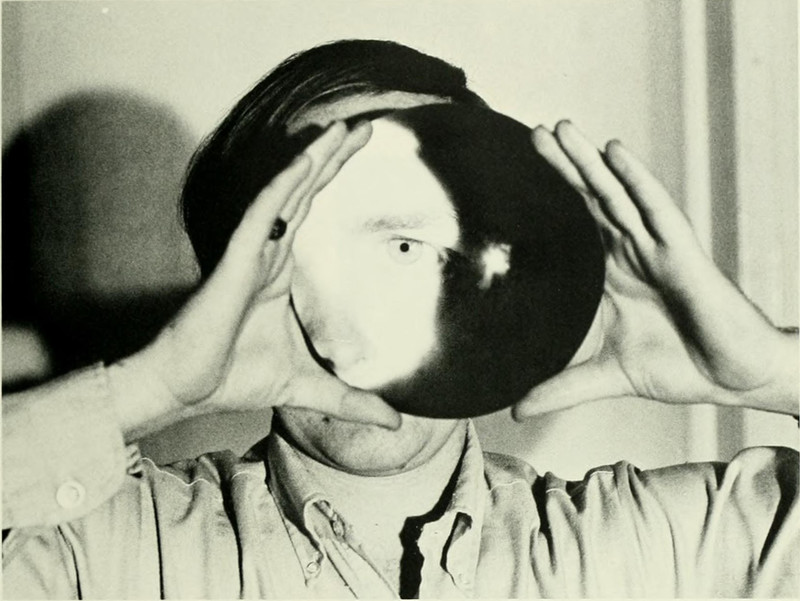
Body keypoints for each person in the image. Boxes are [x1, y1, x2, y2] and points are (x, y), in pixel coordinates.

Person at [3, 39, 798, 598]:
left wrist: (768, 368)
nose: (367, 310)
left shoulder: (645, 546)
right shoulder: (108, 548)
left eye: (408, 244)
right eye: (312, 238)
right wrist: (149, 387)